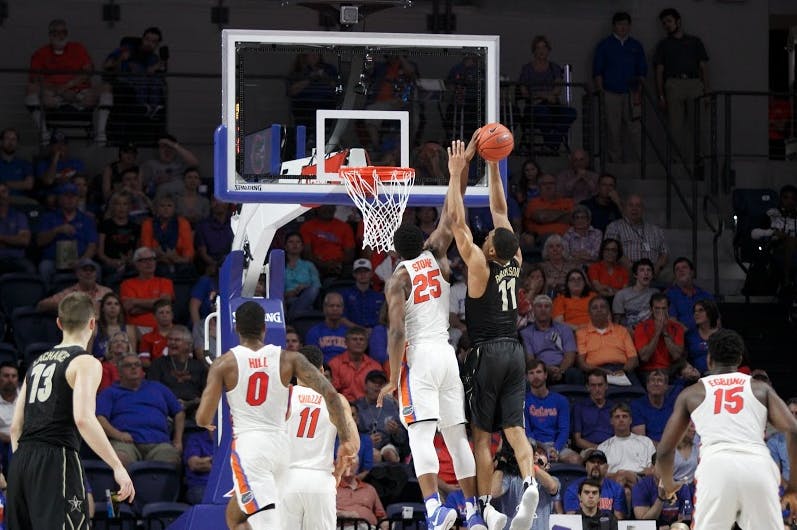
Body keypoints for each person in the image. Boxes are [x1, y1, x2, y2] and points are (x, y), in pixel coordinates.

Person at [377, 137, 493, 530]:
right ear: (420, 244)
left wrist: (393, 378)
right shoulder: (437, 255)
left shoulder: (397, 279)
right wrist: (458, 170)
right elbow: (450, 214)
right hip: (447, 354)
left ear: (395, 252)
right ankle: (473, 514)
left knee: (420, 436)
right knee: (457, 436)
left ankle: (434, 508)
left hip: (420, 358)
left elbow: (395, 334)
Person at [195, 301, 357, 530]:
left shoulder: (225, 363)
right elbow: (330, 394)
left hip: (253, 448)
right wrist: (346, 439)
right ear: (264, 328)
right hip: (284, 454)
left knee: (236, 519)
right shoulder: (289, 360)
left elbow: (202, 417)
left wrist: (206, 423)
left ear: (236, 329)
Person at [446, 137, 540, 529]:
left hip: (485, 352)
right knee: (515, 428)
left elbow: (456, 223)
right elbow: (500, 210)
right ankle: (531, 482)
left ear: (490, 248)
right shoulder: (515, 259)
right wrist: (495, 165)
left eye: (486, 240)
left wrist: (456, 175)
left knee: (481, 435)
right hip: (515, 350)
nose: (484, 238)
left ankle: (487, 506)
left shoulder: (480, 266)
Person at [7, 293, 134, 528]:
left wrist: (25, 467)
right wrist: (117, 466)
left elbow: (16, 427)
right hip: (57, 458)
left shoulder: (37, 362)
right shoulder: (85, 362)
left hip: (21, 460)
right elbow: (84, 419)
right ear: (93, 324)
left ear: (59, 323)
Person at [656, 329, 797, 529]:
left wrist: (669, 485)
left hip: (716, 468)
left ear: (709, 360)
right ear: (739, 359)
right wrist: (794, 486)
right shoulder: (760, 388)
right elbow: (794, 431)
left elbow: (663, 451)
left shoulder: (692, 393)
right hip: (757, 466)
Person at [281, 345, 360, 530]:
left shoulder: (284, 396)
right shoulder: (336, 400)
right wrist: (338, 473)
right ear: (322, 370)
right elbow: (353, 445)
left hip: (286, 479)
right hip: (320, 480)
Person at [96, 351, 185, 467]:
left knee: (170, 460)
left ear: (142, 370)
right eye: (128, 365)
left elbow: (179, 412)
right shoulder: (110, 392)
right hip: (125, 442)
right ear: (119, 371)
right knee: (118, 460)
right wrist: (118, 435)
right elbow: (100, 418)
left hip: (158, 443)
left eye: (137, 365)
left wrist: (178, 441)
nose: (133, 368)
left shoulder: (158, 388)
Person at [653, 8, 710, 164]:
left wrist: (707, 92)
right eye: (664, 23)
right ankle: (677, 159)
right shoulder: (663, 44)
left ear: (678, 21)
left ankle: (700, 157)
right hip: (673, 83)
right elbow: (659, 70)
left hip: (693, 83)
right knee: (675, 126)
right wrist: (661, 95)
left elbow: (703, 67)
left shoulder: (694, 41)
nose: (667, 25)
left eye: (669, 21)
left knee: (697, 123)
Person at [592, 12, 647, 163]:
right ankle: (616, 162)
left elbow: (642, 71)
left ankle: (642, 162)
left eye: (625, 24)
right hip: (610, 93)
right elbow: (598, 71)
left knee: (636, 129)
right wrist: (601, 92)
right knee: (613, 129)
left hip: (632, 93)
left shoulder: (636, 46)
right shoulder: (604, 45)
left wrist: (638, 93)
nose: (623, 27)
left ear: (629, 26)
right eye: (619, 24)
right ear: (614, 26)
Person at [517, 35, 577, 154]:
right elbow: (524, 92)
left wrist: (545, 96)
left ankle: (550, 144)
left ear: (548, 50)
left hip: (552, 104)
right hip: (534, 106)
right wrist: (544, 96)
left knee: (570, 113)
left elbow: (558, 88)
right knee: (543, 113)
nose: (541, 51)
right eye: (538, 48)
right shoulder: (527, 69)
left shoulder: (553, 67)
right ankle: (552, 145)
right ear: (534, 51)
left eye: (544, 47)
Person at [491, 442, 560, 530]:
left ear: (548, 466)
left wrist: (529, 463)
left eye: (540, 453)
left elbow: (552, 487)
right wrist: (502, 462)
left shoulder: (553, 480)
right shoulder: (510, 478)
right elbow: (493, 492)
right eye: (532, 452)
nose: (535, 454)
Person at [605, 195, 669, 279]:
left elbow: (665, 252)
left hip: (653, 270)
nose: (634, 208)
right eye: (631, 205)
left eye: (638, 206)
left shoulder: (656, 230)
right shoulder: (614, 227)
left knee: (672, 274)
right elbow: (611, 251)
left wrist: (657, 267)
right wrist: (634, 268)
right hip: (627, 270)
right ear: (625, 208)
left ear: (643, 209)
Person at [523, 359, 574, 463]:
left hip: (557, 446)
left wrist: (556, 449)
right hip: (534, 446)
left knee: (575, 459)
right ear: (527, 377)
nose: (535, 376)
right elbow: (527, 431)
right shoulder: (523, 402)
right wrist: (540, 449)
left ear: (546, 375)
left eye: (538, 372)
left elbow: (564, 430)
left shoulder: (561, 400)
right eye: (531, 373)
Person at [520, 295, 578, 384]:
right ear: (533, 311)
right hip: (539, 369)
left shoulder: (565, 329)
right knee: (532, 376)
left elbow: (570, 355)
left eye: (546, 306)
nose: (543, 309)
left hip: (563, 368)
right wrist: (546, 368)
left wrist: (561, 371)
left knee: (574, 374)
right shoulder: (526, 333)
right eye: (539, 306)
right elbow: (530, 359)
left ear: (552, 310)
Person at [597, 403, 655, 489]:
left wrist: (627, 474)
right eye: (617, 417)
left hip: (641, 482)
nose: (621, 420)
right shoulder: (603, 447)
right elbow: (600, 474)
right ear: (611, 421)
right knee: (625, 490)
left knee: (623, 476)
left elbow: (652, 470)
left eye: (624, 416)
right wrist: (619, 474)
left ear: (630, 420)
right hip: (614, 481)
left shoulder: (646, 442)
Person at [560, 449, 627, 518]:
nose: (596, 465)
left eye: (600, 462)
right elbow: (573, 519)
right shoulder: (573, 489)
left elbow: (618, 519)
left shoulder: (617, 489)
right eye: (592, 462)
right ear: (586, 466)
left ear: (606, 468)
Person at [634, 293, 685, 378]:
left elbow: (676, 355)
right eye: (657, 308)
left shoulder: (677, 327)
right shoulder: (641, 327)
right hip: (648, 371)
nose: (661, 312)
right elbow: (644, 357)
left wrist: (664, 331)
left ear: (668, 309)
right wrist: (657, 333)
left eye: (664, 308)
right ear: (651, 309)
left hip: (671, 370)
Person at [666, 257, 714, 336]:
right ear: (675, 276)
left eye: (684, 267)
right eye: (677, 269)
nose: (680, 270)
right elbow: (672, 322)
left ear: (692, 273)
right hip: (683, 338)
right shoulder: (670, 295)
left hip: (707, 336)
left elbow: (716, 320)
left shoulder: (705, 295)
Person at [630, 369, 681, 444]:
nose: (656, 383)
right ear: (647, 385)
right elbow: (641, 440)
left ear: (666, 386)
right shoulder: (637, 405)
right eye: (652, 380)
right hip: (649, 451)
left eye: (660, 380)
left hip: (673, 448)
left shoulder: (673, 404)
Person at [612, 258, 659, 330]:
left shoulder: (656, 293)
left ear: (652, 275)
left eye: (648, 270)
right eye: (642, 270)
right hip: (627, 334)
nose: (646, 273)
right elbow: (616, 322)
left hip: (649, 332)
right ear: (635, 275)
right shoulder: (621, 295)